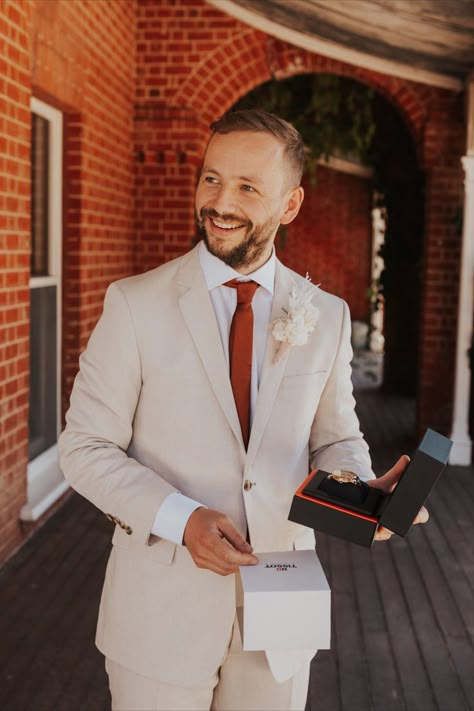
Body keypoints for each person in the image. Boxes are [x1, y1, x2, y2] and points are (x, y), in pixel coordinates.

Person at [58, 110, 427, 711]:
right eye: (211, 179)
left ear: (291, 205)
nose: (220, 202)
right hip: (160, 617)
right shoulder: (133, 304)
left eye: (247, 187)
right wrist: (181, 519)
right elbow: (83, 448)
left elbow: (334, 438)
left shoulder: (327, 315)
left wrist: (364, 496)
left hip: (282, 611)